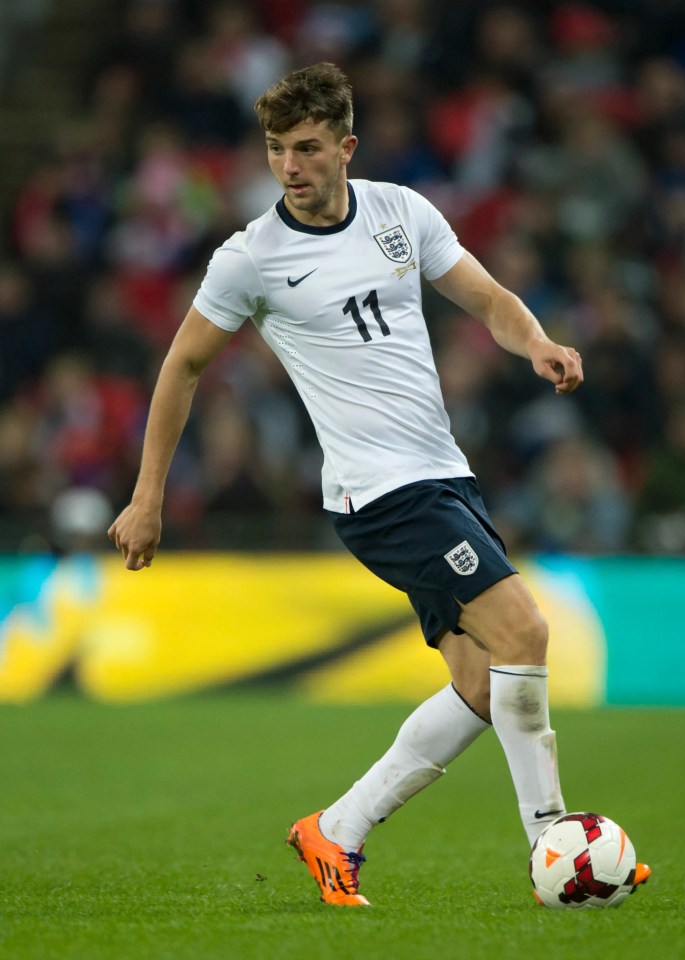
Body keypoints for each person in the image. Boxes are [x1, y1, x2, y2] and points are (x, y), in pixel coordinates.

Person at [108, 62, 650, 906]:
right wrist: (146, 497)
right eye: (278, 149)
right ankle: (554, 839)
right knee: (527, 632)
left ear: (346, 148)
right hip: (379, 494)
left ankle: (337, 830)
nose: (290, 165)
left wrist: (536, 341)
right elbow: (181, 366)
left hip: (444, 476)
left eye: (309, 148)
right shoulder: (249, 259)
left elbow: (489, 298)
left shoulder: (401, 213)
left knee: (479, 684)